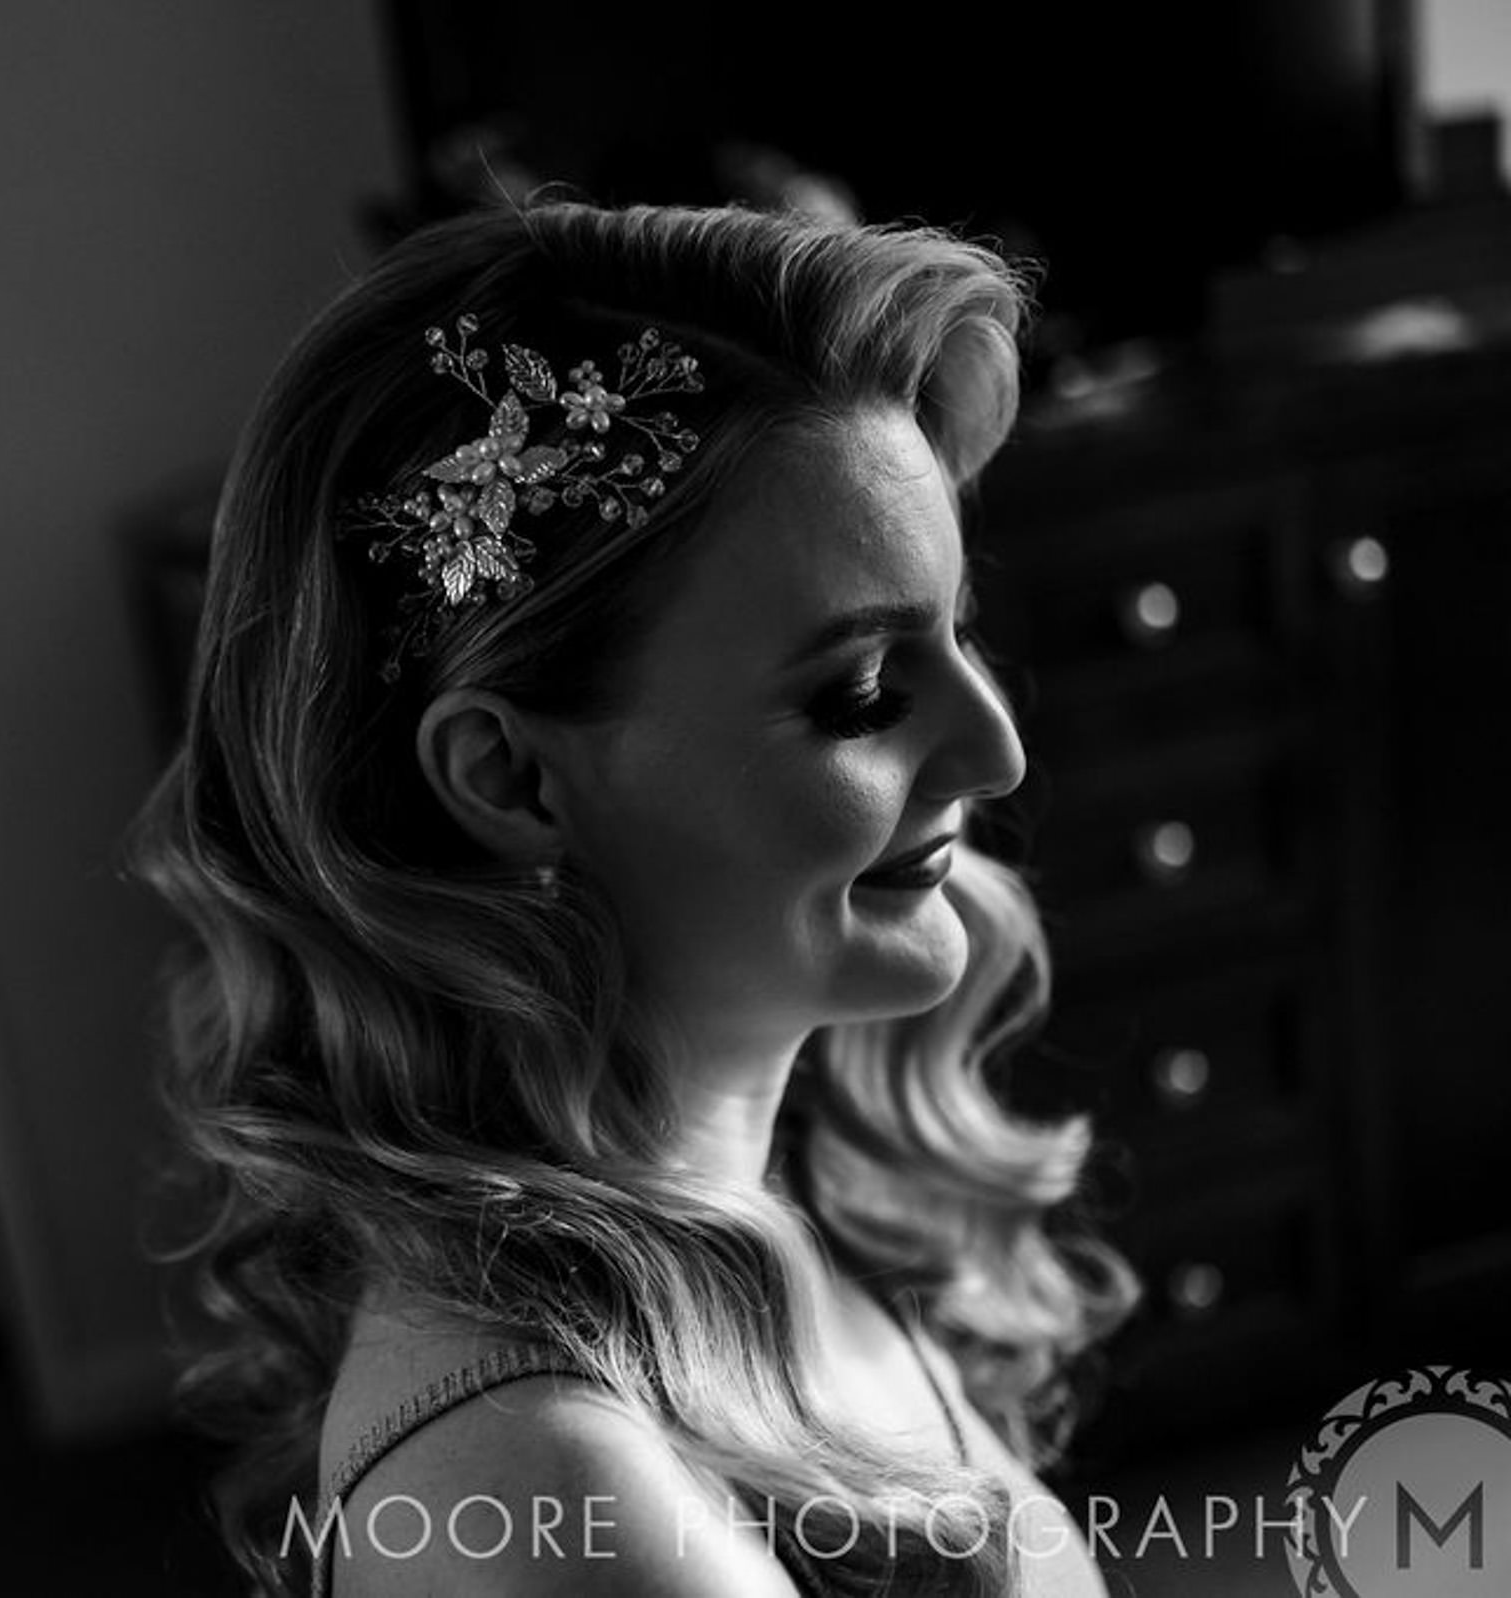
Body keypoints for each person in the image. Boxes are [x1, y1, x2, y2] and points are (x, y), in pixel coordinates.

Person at [127, 201, 1138, 1597]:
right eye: (860, 695)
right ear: (509, 777)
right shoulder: (559, 1504)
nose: (997, 747)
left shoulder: (759, 1194)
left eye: (958, 633)